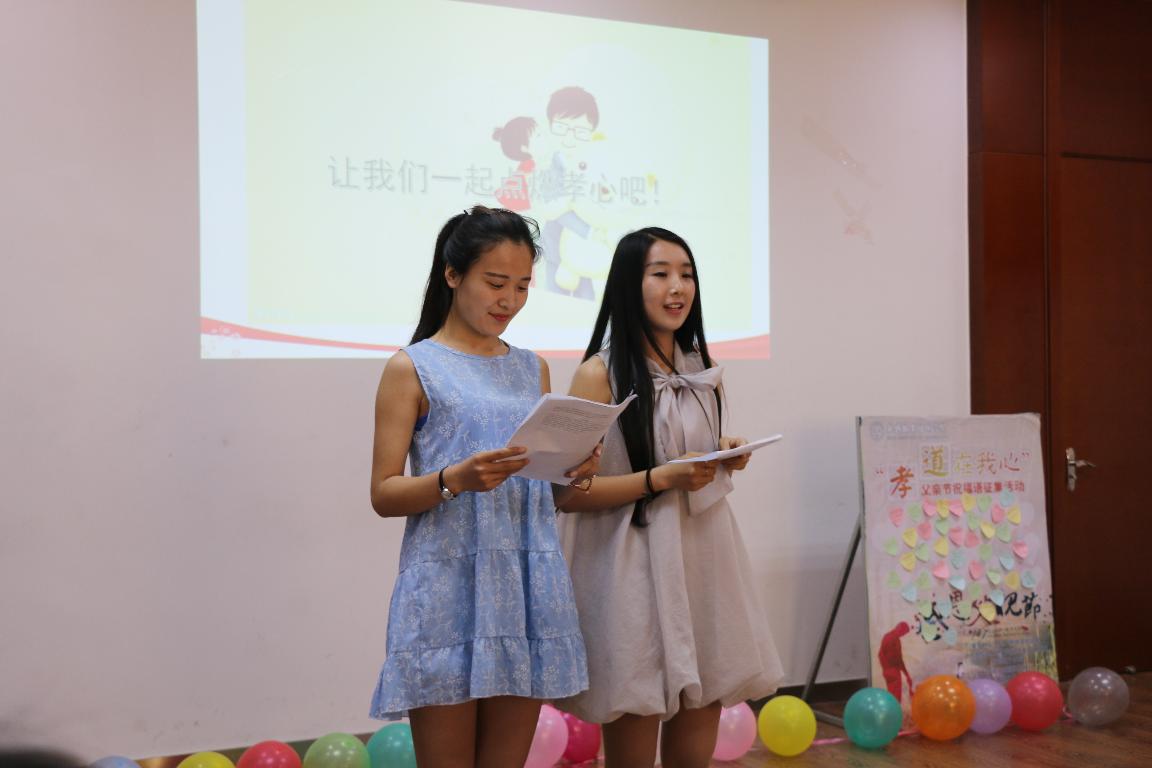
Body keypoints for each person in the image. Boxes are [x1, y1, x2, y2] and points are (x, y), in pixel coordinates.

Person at [367, 206, 599, 768]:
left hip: (527, 583)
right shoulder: (411, 367)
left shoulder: (532, 369)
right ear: (452, 274)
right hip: (446, 585)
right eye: (495, 283)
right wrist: (455, 479)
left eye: (522, 286)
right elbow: (383, 493)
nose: (509, 301)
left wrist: (574, 475)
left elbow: (547, 496)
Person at [555, 227, 785, 768]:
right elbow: (567, 493)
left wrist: (725, 453)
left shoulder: (702, 368)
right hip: (630, 564)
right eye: (660, 274)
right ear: (627, 284)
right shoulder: (598, 375)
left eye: (686, 274)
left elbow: (691, 454)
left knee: (704, 699)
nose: (677, 287)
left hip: (704, 554)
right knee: (637, 701)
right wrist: (659, 479)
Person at [878, 621, 914, 702]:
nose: (903, 635)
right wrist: (906, 673)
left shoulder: (887, 636)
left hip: (887, 670)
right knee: (895, 696)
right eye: (904, 633)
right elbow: (897, 659)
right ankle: (895, 708)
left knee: (892, 693)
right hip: (893, 671)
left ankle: (893, 707)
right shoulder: (894, 639)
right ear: (900, 629)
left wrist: (885, 668)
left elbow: (880, 654)